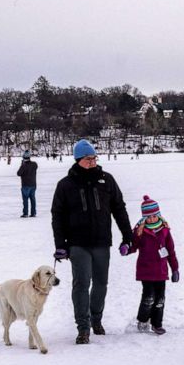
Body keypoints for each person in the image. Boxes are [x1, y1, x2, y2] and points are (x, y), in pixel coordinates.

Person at [51, 139, 133, 345]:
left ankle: (96, 319)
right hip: (77, 243)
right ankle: (83, 327)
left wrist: (128, 236)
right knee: (81, 283)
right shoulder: (65, 185)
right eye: (88, 159)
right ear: (78, 160)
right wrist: (60, 245)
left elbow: (119, 208)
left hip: (102, 241)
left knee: (101, 283)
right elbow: (57, 216)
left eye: (94, 158)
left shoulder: (107, 180)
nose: (93, 162)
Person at [128, 195, 179, 335]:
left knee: (160, 300)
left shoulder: (165, 230)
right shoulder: (140, 231)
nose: (151, 219)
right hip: (146, 271)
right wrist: (127, 249)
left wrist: (175, 269)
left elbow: (171, 251)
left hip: (161, 272)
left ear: (158, 215)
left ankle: (157, 324)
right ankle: (143, 320)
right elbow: (134, 246)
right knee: (149, 297)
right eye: (148, 217)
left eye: (154, 216)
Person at [17, 151, 38, 218]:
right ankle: (33, 213)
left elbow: (18, 173)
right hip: (33, 184)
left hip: (25, 185)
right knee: (33, 199)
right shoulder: (34, 164)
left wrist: (22, 165)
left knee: (25, 200)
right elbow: (35, 167)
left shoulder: (23, 166)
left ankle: (25, 213)